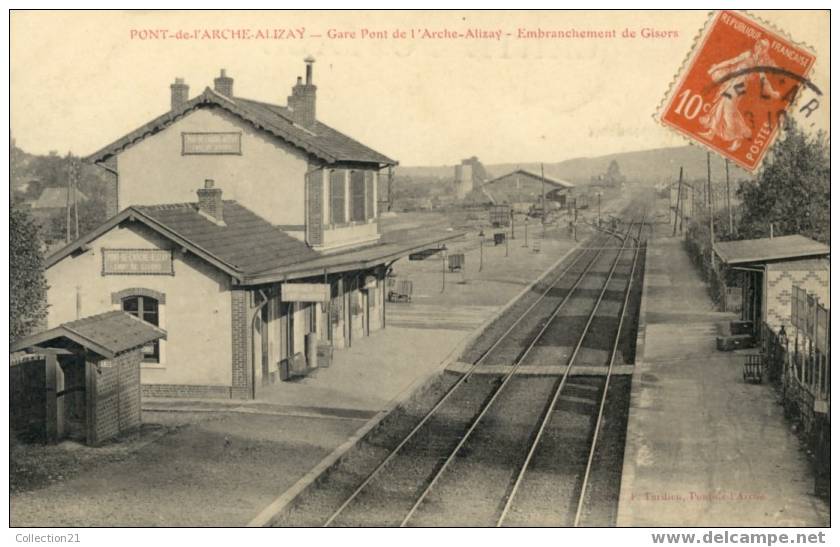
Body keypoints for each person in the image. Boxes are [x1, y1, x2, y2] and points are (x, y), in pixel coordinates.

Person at [698, 38, 781, 152]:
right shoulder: (747, 55)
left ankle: (736, 136)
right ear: (756, 45)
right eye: (758, 45)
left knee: (727, 110)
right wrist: (717, 67)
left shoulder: (760, 63)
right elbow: (732, 61)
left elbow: (763, 79)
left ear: (765, 51)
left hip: (740, 86)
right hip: (731, 82)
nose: (759, 48)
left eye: (762, 48)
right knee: (721, 105)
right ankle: (713, 132)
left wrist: (771, 92)